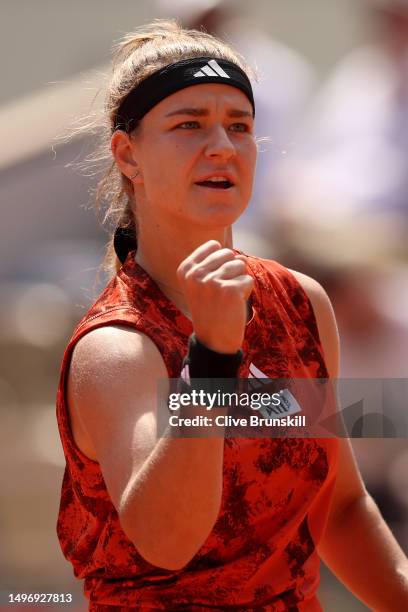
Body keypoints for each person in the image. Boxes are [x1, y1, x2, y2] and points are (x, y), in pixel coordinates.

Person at [55, 20, 408, 611]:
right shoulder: (115, 347)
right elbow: (167, 541)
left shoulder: (300, 302)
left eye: (239, 126)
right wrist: (212, 360)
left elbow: (341, 507)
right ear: (128, 155)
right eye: (188, 124)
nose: (221, 145)